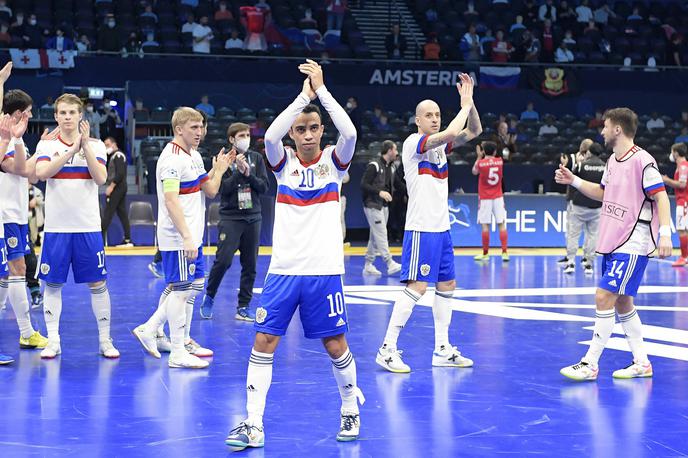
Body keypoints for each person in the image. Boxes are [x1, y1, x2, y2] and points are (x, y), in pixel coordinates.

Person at [224, 60, 363, 450]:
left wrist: (322, 92)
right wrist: (304, 96)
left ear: (322, 131)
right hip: (283, 271)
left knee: (335, 346)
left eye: (313, 128)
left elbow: (349, 130)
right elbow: (268, 136)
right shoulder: (282, 165)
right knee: (263, 342)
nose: (306, 134)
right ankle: (253, 423)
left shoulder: (334, 163)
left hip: (323, 272)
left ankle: (350, 407)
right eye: (300, 129)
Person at [556, 107, 673, 381]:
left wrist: (666, 233)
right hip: (613, 239)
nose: (602, 131)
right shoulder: (612, 161)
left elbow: (662, 198)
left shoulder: (643, 161)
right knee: (622, 304)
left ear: (617, 129)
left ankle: (590, 363)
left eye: (605, 126)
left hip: (633, 241)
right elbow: (602, 193)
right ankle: (642, 363)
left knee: (603, 296)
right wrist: (573, 180)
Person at [376, 74, 482, 374]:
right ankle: (387, 348)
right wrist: (462, 104)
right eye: (429, 115)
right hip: (421, 228)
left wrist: (470, 103)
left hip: (441, 229)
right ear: (417, 120)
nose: (434, 119)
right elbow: (451, 131)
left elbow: (475, 130)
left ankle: (441, 348)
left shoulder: (439, 149)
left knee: (447, 284)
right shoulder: (413, 144)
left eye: (437, 114)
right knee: (417, 286)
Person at [132, 107, 233, 368]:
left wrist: (219, 170)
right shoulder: (170, 159)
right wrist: (187, 237)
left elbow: (209, 190)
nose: (200, 132)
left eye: (201, 126)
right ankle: (177, 352)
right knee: (181, 290)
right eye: (194, 127)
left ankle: (159, 331)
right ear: (179, 129)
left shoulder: (195, 156)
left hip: (192, 236)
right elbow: (170, 200)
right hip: (177, 237)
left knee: (194, 285)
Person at [34, 94, 120, 359]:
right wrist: (70, 152)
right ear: (56, 116)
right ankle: (53, 340)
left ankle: (105, 340)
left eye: (73, 112)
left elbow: (101, 179)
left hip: (88, 228)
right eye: (63, 112)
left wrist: (84, 149)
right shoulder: (46, 145)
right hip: (57, 229)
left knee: (98, 284)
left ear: (81, 116)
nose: (68, 117)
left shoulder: (95, 145)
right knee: (52, 285)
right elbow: (41, 174)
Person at [201, 122, 269, 321]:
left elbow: (264, 187)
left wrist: (249, 173)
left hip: (253, 217)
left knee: (251, 264)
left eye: (247, 134)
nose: (245, 138)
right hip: (231, 218)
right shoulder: (222, 160)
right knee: (223, 261)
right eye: (241, 135)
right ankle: (210, 296)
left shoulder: (256, 158)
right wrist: (239, 172)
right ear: (231, 139)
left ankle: (243, 306)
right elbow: (222, 189)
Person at [0, 88, 49, 351]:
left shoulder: (16, 138)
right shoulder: (4, 135)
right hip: (5, 215)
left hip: (16, 214)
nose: (31, 115)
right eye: (28, 112)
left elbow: (31, 174)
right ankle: (27, 332)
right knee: (16, 271)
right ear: (18, 113)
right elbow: (19, 168)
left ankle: (27, 333)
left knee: (11, 273)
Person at [361, 140, 402, 276]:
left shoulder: (391, 167)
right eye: (395, 150)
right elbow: (364, 184)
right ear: (389, 151)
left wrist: (412, 192)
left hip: (384, 206)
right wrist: (380, 192)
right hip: (373, 205)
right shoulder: (374, 166)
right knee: (382, 233)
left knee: (375, 235)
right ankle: (389, 262)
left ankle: (368, 264)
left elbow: (398, 184)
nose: (397, 153)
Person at [562, 142, 605, 275]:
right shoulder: (606, 167)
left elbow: (572, 181)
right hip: (596, 207)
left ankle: (570, 262)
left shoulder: (581, 165)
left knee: (573, 234)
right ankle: (589, 264)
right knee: (593, 236)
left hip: (579, 206)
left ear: (589, 152)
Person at [558, 138, 593, 267]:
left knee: (575, 231)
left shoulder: (592, 161)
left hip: (584, 199)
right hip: (574, 198)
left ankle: (580, 257)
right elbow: (566, 174)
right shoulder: (572, 158)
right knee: (573, 230)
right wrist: (566, 164)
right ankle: (573, 257)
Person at [472, 141, 508, 261]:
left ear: (483, 151)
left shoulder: (481, 164)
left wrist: (479, 156)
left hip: (485, 198)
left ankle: (486, 253)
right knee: (501, 224)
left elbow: (474, 171)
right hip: (498, 197)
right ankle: (504, 253)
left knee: (485, 226)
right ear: (494, 152)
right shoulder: (499, 162)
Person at [101, 137, 131, 246]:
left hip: (118, 187)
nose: (106, 147)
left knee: (108, 212)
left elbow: (120, 174)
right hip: (121, 187)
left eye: (107, 145)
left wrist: (111, 187)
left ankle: (99, 240)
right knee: (122, 213)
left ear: (114, 144)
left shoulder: (118, 155)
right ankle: (128, 239)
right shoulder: (114, 156)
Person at [662, 143, 688, 267]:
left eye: (672, 152)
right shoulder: (681, 166)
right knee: (683, 229)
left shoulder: (683, 166)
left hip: (684, 201)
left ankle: (684, 257)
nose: (671, 155)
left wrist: (667, 181)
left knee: (682, 230)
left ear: (676, 153)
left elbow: (682, 184)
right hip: (681, 201)